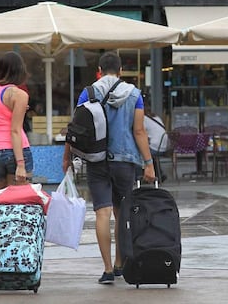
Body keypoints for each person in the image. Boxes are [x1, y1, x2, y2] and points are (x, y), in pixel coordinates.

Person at [62, 51, 156, 284]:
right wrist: (149, 163)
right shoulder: (135, 94)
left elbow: (77, 127)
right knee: (121, 213)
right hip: (125, 161)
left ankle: (106, 270)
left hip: (96, 159)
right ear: (121, 71)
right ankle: (119, 265)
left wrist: (66, 157)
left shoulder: (88, 92)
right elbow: (139, 131)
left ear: (99, 71)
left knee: (102, 213)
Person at [0, 51, 33, 196]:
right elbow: (15, 130)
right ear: (20, 70)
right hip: (16, 150)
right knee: (17, 203)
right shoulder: (20, 95)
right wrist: (20, 164)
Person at [136, 98, 168, 182]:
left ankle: (139, 176)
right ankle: (159, 173)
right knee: (148, 152)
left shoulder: (143, 119)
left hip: (155, 148)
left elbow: (141, 134)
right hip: (163, 147)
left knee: (139, 151)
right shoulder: (156, 117)